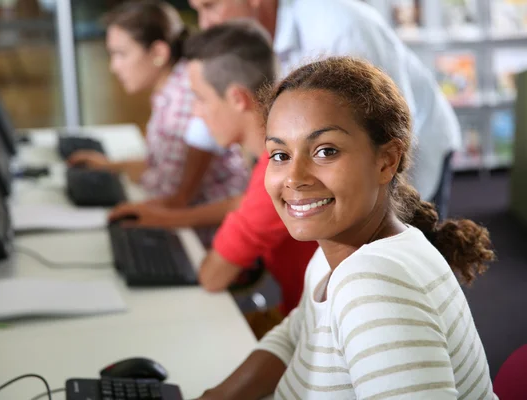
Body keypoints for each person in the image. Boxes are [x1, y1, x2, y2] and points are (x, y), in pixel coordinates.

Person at [197, 56, 496, 400]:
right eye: (280, 155)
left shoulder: (373, 284)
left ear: (386, 161)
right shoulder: (332, 256)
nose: (294, 177)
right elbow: (296, 335)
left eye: (326, 151)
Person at [110, 20, 318, 338]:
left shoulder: (282, 176)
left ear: (237, 98)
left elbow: (212, 276)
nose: (195, 113)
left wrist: (169, 220)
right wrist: (168, 218)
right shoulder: (281, 147)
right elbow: (242, 203)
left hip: (306, 334)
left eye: (201, 98)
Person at [188, 0, 461, 219]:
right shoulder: (246, 40)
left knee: (409, 257)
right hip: (352, 156)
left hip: (413, 145)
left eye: (210, 6)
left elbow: (392, 124)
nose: (205, 23)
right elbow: (210, 114)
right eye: (197, 10)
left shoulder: (338, 30)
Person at [67, 0, 250, 243]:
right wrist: (110, 166)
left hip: (207, 239)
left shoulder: (183, 99)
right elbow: (163, 167)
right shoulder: (170, 89)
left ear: (158, 53)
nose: (114, 67)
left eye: (121, 54)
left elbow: (173, 197)